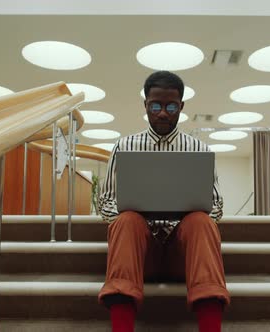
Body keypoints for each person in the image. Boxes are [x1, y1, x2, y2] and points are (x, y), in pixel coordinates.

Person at [98, 71, 230, 332]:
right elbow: (106, 203)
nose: (162, 113)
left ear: (181, 107)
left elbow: (216, 206)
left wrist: (185, 210)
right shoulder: (124, 146)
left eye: (171, 106)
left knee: (201, 221)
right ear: (145, 105)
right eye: (155, 106)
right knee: (126, 220)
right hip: (139, 253)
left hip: (184, 255)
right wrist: (139, 210)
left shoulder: (199, 149)